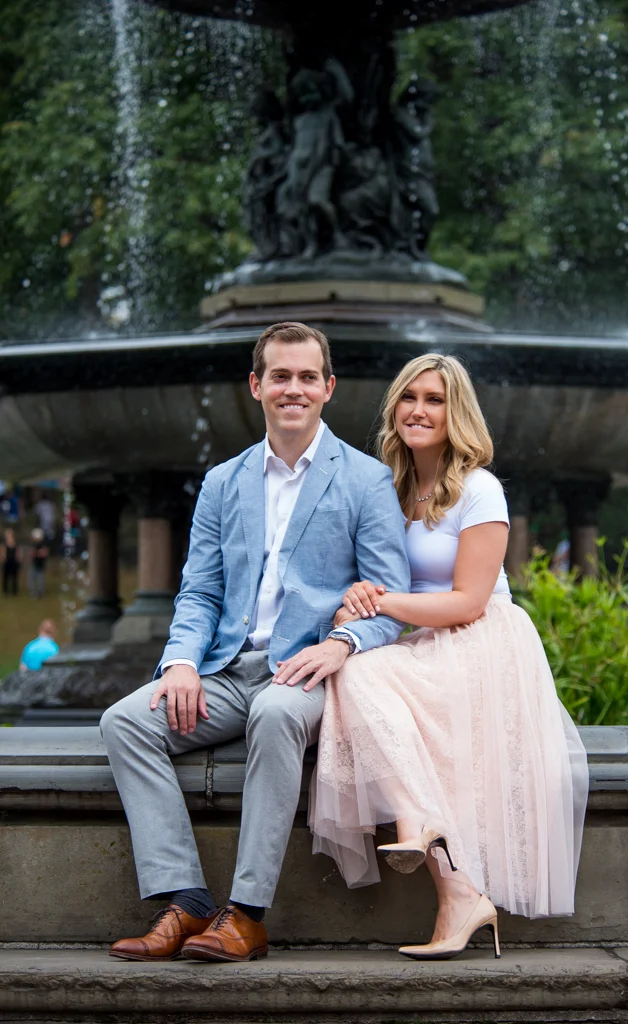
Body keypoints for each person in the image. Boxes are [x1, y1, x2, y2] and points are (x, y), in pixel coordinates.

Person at [100, 321, 410, 964]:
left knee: (275, 713)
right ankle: (185, 898)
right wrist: (182, 661)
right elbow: (199, 592)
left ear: (327, 388)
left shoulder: (366, 480)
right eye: (279, 376)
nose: (292, 389)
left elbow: (391, 605)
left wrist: (343, 644)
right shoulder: (222, 482)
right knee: (125, 721)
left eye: (305, 378)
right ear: (256, 385)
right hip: (225, 671)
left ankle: (246, 914)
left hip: (310, 675)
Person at [307, 353, 589, 960]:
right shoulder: (386, 486)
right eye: (408, 398)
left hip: (480, 641)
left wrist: (382, 601)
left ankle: (423, 834)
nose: (418, 410)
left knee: (358, 673)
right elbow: (372, 578)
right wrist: (357, 597)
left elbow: (467, 601)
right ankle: (457, 889)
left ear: (455, 411)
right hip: (415, 640)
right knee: (352, 670)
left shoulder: (479, 489)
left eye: (433, 399)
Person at [28, 528, 49, 598]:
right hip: (34, 564)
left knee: (40, 579)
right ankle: (33, 592)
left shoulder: (42, 545)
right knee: (31, 577)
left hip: (40, 565)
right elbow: (31, 554)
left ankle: (40, 592)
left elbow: (44, 553)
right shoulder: (34, 545)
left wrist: (37, 553)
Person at [1, 527, 21, 596]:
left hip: (14, 563)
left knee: (14, 577)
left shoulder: (16, 545)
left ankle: (14, 592)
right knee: (5, 578)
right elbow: (2, 554)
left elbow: (18, 554)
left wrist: (18, 559)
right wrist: (3, 558)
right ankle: (5, 592)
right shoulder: (4, 545)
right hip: (7, 562)